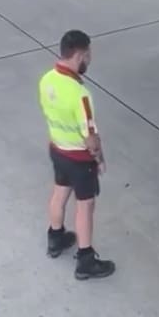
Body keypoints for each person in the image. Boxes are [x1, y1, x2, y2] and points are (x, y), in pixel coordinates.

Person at [38, 29, 115, 280]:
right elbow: (90, 138)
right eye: (88, 55)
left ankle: (55, 238)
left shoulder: (47, 80)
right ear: (80, 55)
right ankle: (85, 259)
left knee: (60, 192)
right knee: (86, 206)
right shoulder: (80, 94)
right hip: (80, 160)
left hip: (57, 150)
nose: (89, 60)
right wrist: (99, 158)